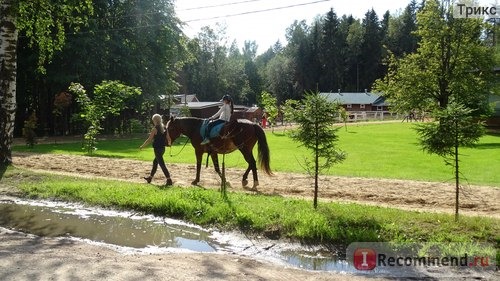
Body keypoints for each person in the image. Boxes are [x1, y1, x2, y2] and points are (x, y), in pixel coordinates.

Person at [140, 114, 173, 186]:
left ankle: (169, 180)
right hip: (162, 149)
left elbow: (149, 140)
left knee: (162, 164)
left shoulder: (155, 129)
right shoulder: (164, 128)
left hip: (157, 149)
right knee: (155, 162)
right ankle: (150, 178)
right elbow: (169, 138)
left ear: (154, 120)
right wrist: (169, 144)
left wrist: (142, 146)